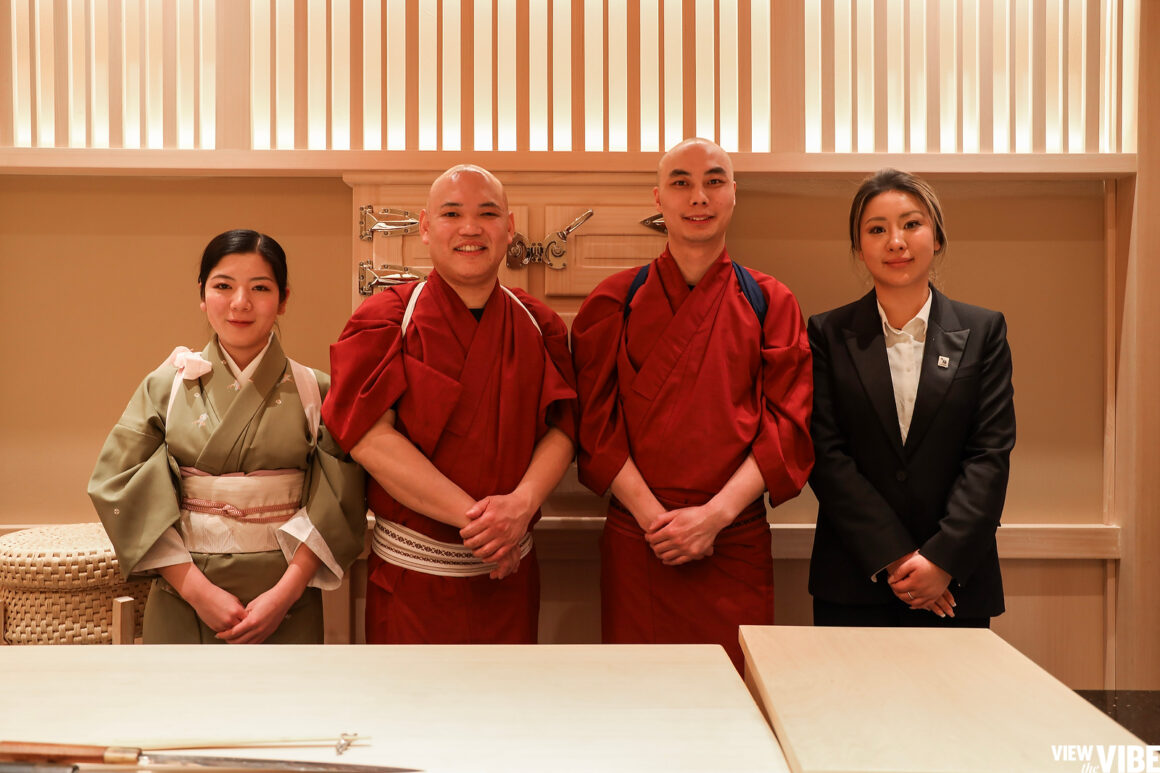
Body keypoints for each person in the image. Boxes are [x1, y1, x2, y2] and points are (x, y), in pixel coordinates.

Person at [570, 138, 814, 671]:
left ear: (733, 195)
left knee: (735, 713)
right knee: (641, 707)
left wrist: (713, 518)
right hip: (640, 539)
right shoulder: (614, 302)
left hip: (734, 539)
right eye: (681, 182)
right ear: (658, 198)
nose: (697, 196)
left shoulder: (771, 302)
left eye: (714, 181)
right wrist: (658, 520)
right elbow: (594, 428)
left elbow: (787, 427)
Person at [322, 164, 577, 644]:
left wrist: (520, 507)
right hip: (412, 585)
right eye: (451, 213)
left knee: (510, 714)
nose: (470, 228)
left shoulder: (540, 325)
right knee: (409, 718)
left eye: (487, 213)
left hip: (509, 581)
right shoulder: (384, 320)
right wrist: (485, 526)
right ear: (424, 226)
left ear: (510, 226)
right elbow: (367, 438)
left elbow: (562, 429)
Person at [89, 229, 368, 644]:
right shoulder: (165, 387)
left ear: (284, 299)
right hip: (183, 592)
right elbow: (118, 485)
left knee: (282, 708)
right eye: (223, 286)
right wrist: (197, 592)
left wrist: (284, 594)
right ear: (202, 294)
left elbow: (340, 499)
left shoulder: (317, 390)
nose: (241, 303)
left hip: (287, 598)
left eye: (260, 287)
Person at [807, 168, 1016, 627]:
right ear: (859, 248)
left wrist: (941, 561)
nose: (895, 241)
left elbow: (989, 455)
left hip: (956, 582)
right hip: (857, 577)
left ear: (936, 238)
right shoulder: (826, 333)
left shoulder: (983, 332)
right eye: (876, 229)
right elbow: (826, 454)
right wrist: (896, 556)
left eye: (911, 224)